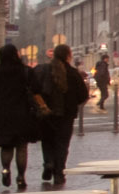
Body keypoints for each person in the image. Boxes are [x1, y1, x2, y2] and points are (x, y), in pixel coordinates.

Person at [0, 44, 43, 191]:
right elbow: (37, 89)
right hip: (23, 113)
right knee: (21, 147)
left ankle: (5, 170)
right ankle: (21, 177)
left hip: (4, 114)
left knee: (6, 147)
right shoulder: (25, 71)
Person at [34, 44, 89, 185]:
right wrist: (73, 102)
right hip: (66, 115)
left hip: (46, 114)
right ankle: (59, 173)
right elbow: (83, 95)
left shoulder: (43, 70)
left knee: (47, 141)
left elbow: (35, 90)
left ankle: (48, 163)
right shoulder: (73, 73)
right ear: (68, 56)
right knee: (62, 144)